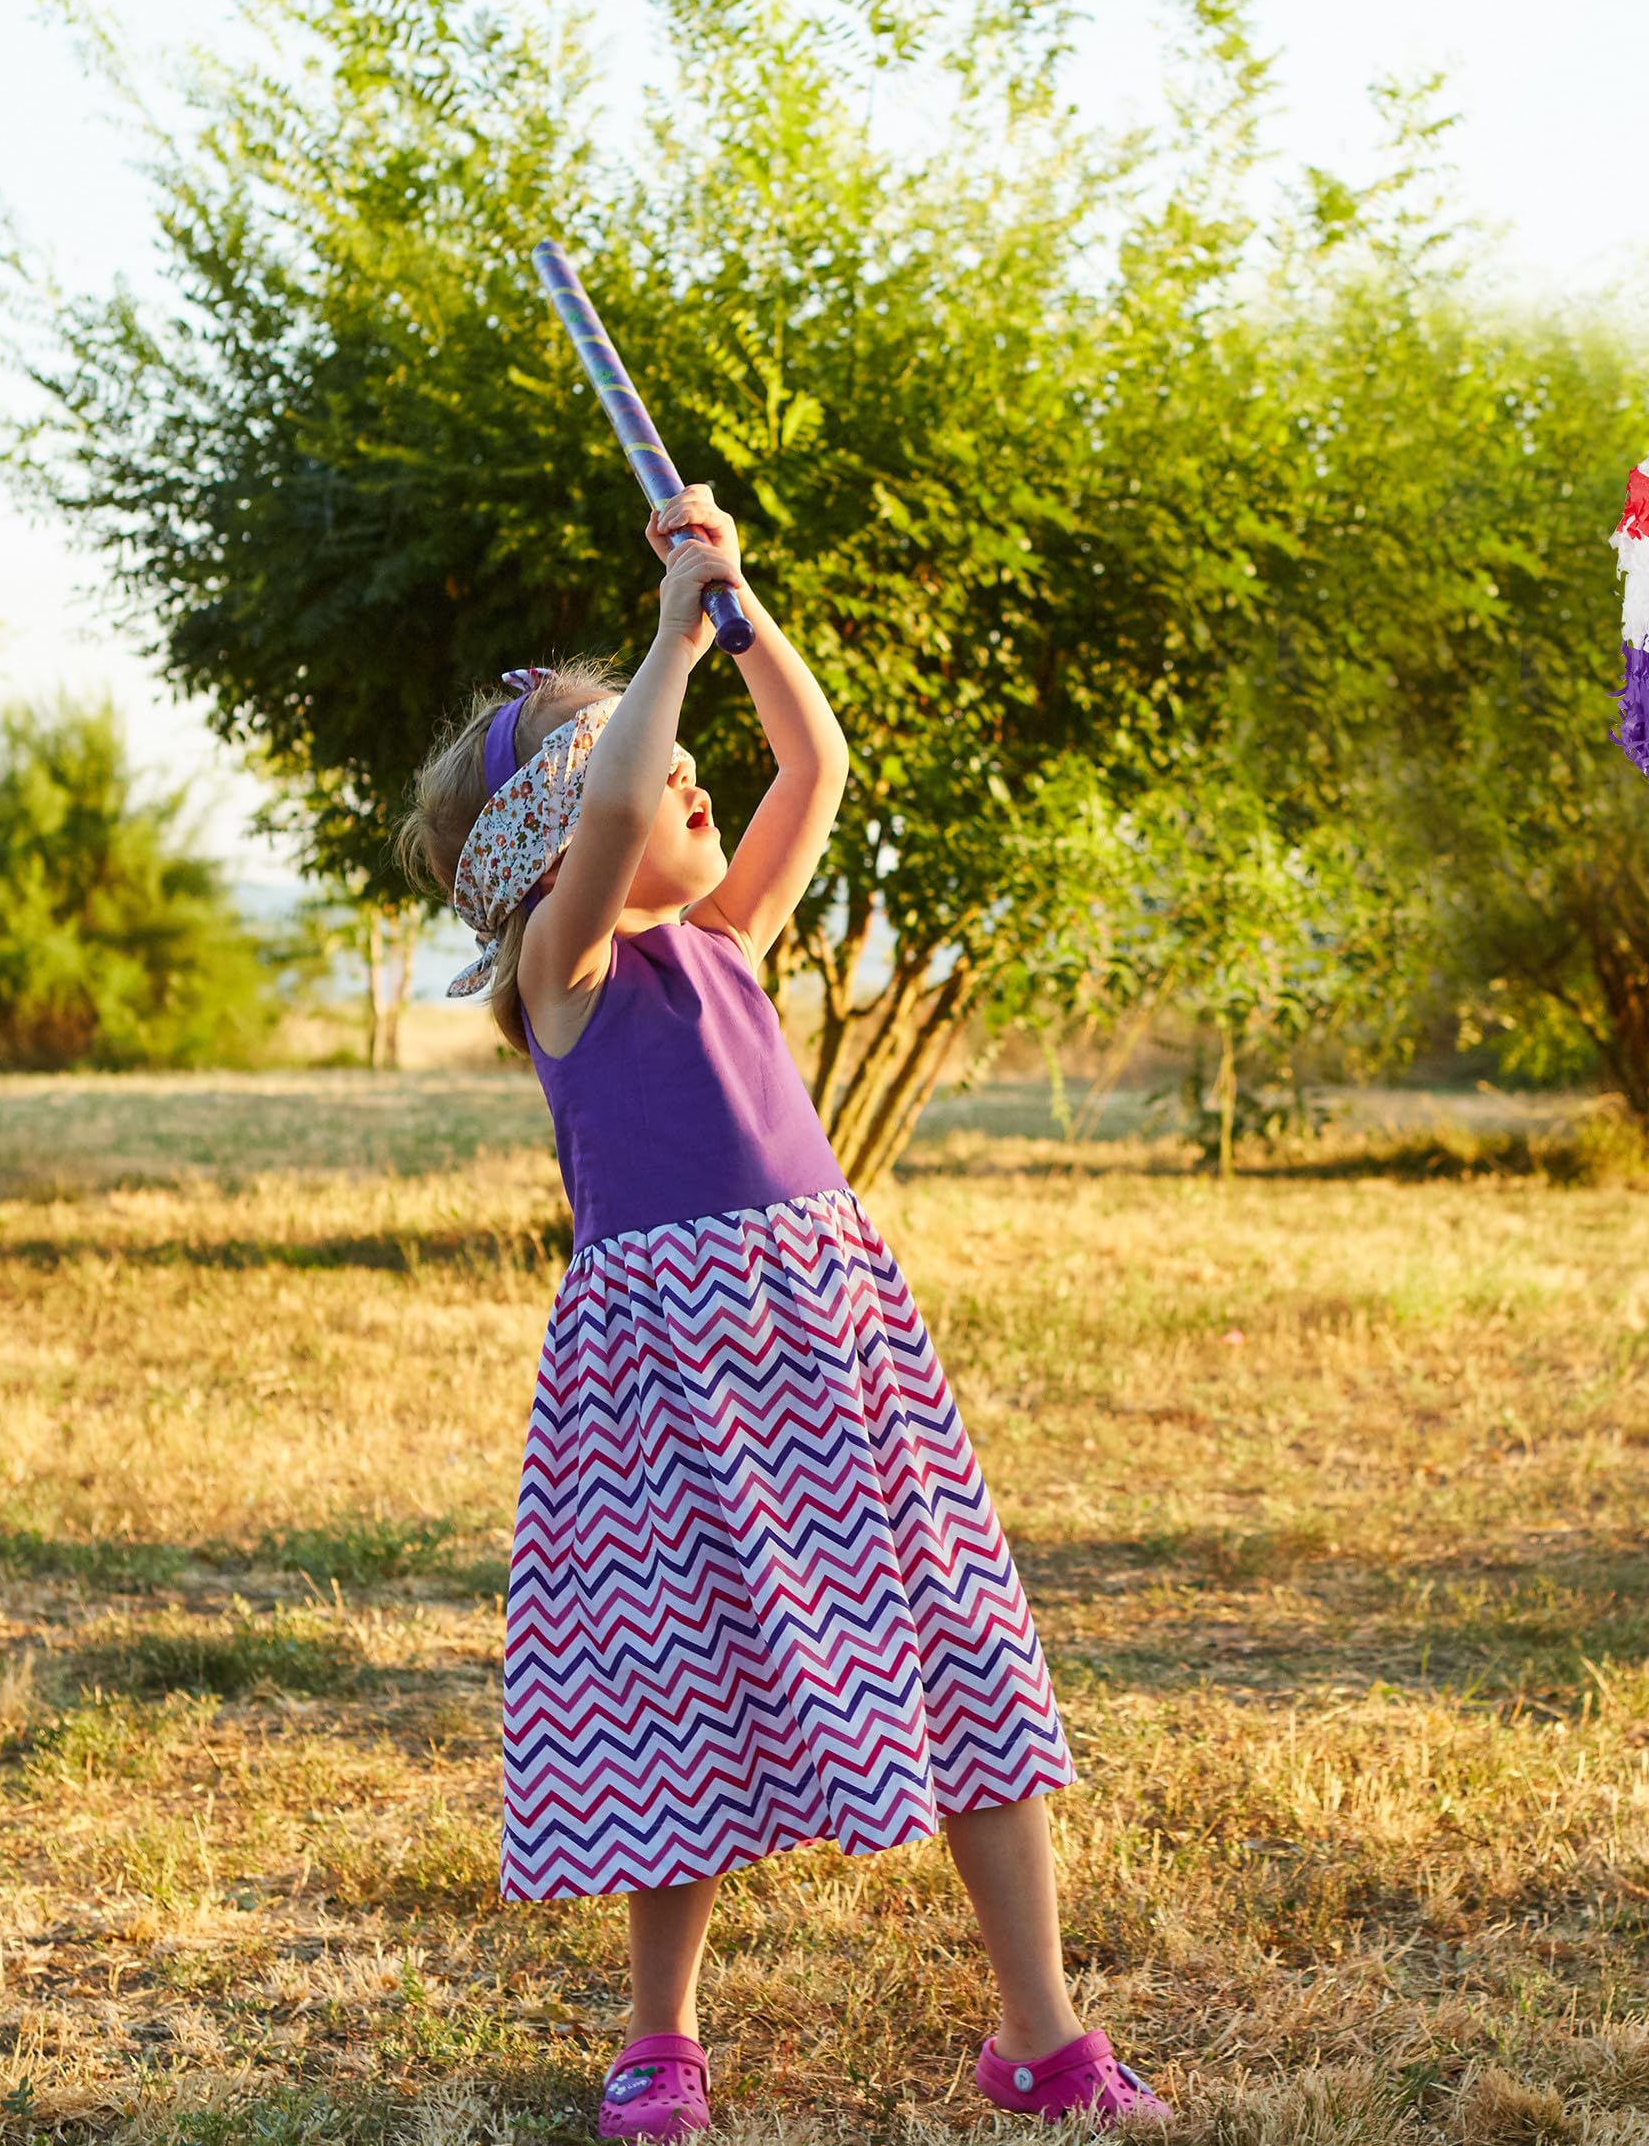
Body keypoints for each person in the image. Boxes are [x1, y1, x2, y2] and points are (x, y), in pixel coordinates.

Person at [397, 488, 1166, 2137]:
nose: (686, 775)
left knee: (965, 1658)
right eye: (646, 763)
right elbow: (621, 807)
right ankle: (660, 2039)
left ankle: (1043, 2038)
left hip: (831, 1356)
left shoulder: (729, 943)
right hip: (670, 1392)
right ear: (556, 852)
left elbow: (814, 763)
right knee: (679, 1699)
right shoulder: (567, 978)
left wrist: (737, 612)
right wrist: (668, 639)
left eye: (677, 749)